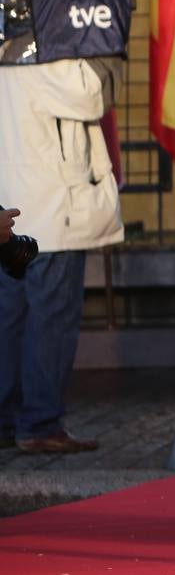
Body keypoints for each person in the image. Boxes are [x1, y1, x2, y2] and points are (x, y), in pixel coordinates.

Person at [0, 57, 123, 453]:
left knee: (10, 318)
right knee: (50, 320)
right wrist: (109, 57)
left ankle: (6, 421)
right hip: (53, 210)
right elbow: (92, 96)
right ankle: (39, 422)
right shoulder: (51, 60)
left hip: (10, 207)